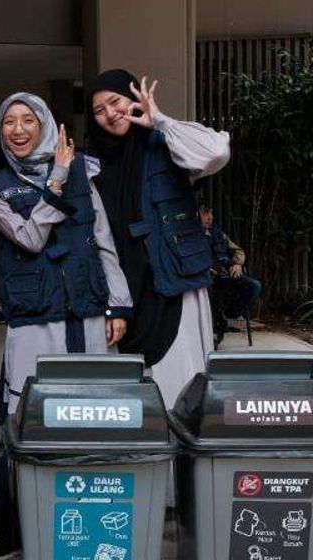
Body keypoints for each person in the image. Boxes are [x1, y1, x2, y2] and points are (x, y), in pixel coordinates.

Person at [87, 69, 231, 406]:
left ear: (134, 97)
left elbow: (216, 151)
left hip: (173, 284)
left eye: (115, 101)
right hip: (119, 290)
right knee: (127, 402)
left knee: (182, 391)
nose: (110, 113)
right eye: (98, 110)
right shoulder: (90, 163)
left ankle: (181, 457)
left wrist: (161, 121)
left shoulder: (166, 145)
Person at [0, 92, 132, 414]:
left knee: (97, 406)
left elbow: (102, 239)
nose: (18, 130)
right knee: (35, 410)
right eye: (9, 122)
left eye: (28, 121)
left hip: (87, 308)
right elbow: (31, 239)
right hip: (35, 315)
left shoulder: (82, 171)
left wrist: (117, 306)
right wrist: (56, 180)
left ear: (44, 125)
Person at [200, 203, 261, 324]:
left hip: (225, 276)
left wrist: (237, 264)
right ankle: (214, 324)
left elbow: (238, 250)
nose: (210, 217)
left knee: (255, 286)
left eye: (211, 213)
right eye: (205, 213)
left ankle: (229, 317)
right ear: (196, 215)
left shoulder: (218, 234)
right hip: (204, 279)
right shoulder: (190, 237)